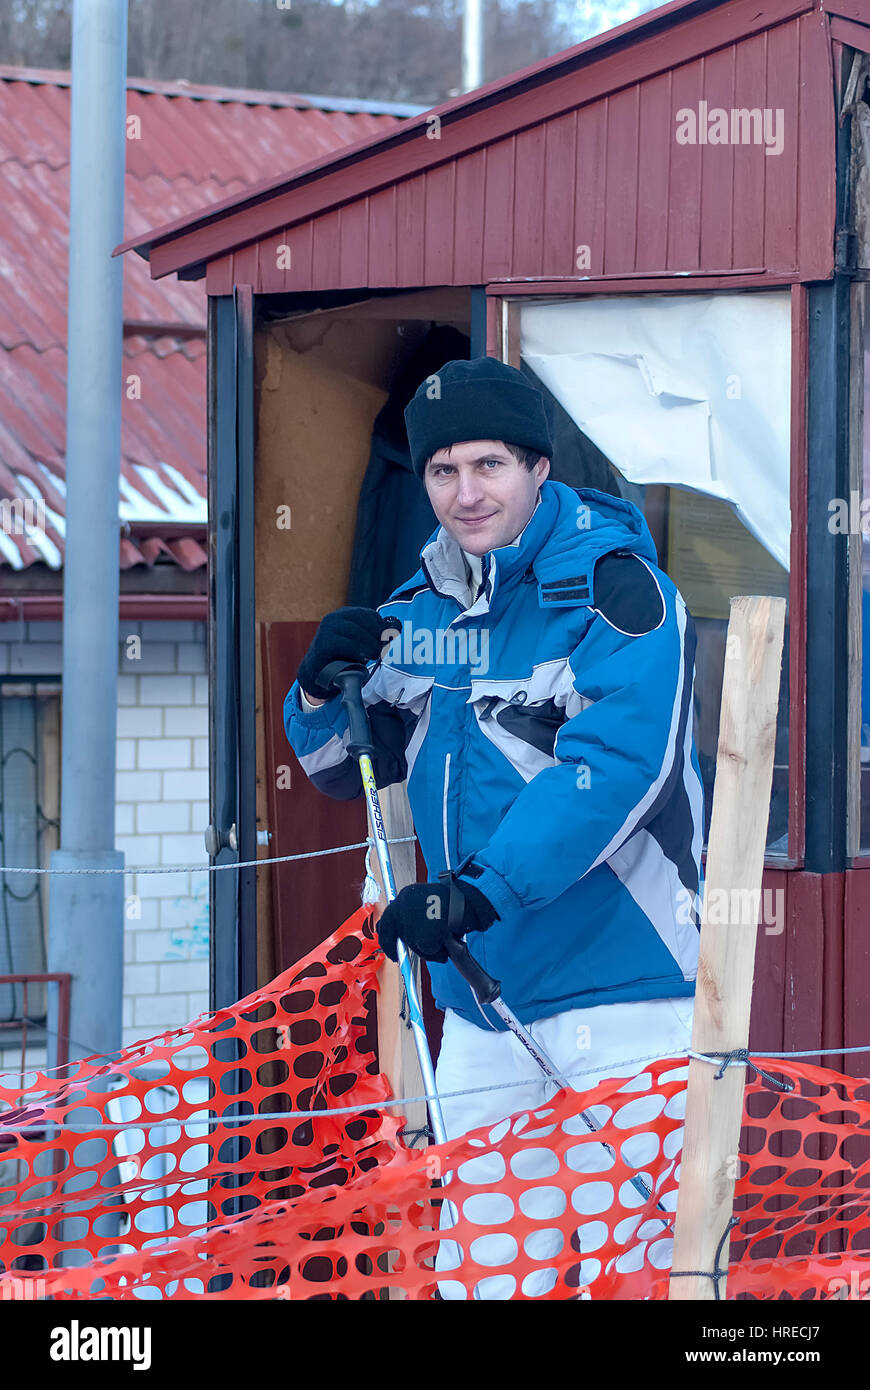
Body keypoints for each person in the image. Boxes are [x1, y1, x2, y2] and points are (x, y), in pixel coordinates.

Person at [283, 357, 703, 1298]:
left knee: (626, 1277)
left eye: (489, 467)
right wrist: (316, 690)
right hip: (479, 996)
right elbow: (336, 766)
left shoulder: (617, 594)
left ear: (538, 468)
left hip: (619, 990)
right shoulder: (427, 611)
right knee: (482, 1273)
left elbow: (615, 769)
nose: (465, 494)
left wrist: (477, 889)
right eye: (443, 472)